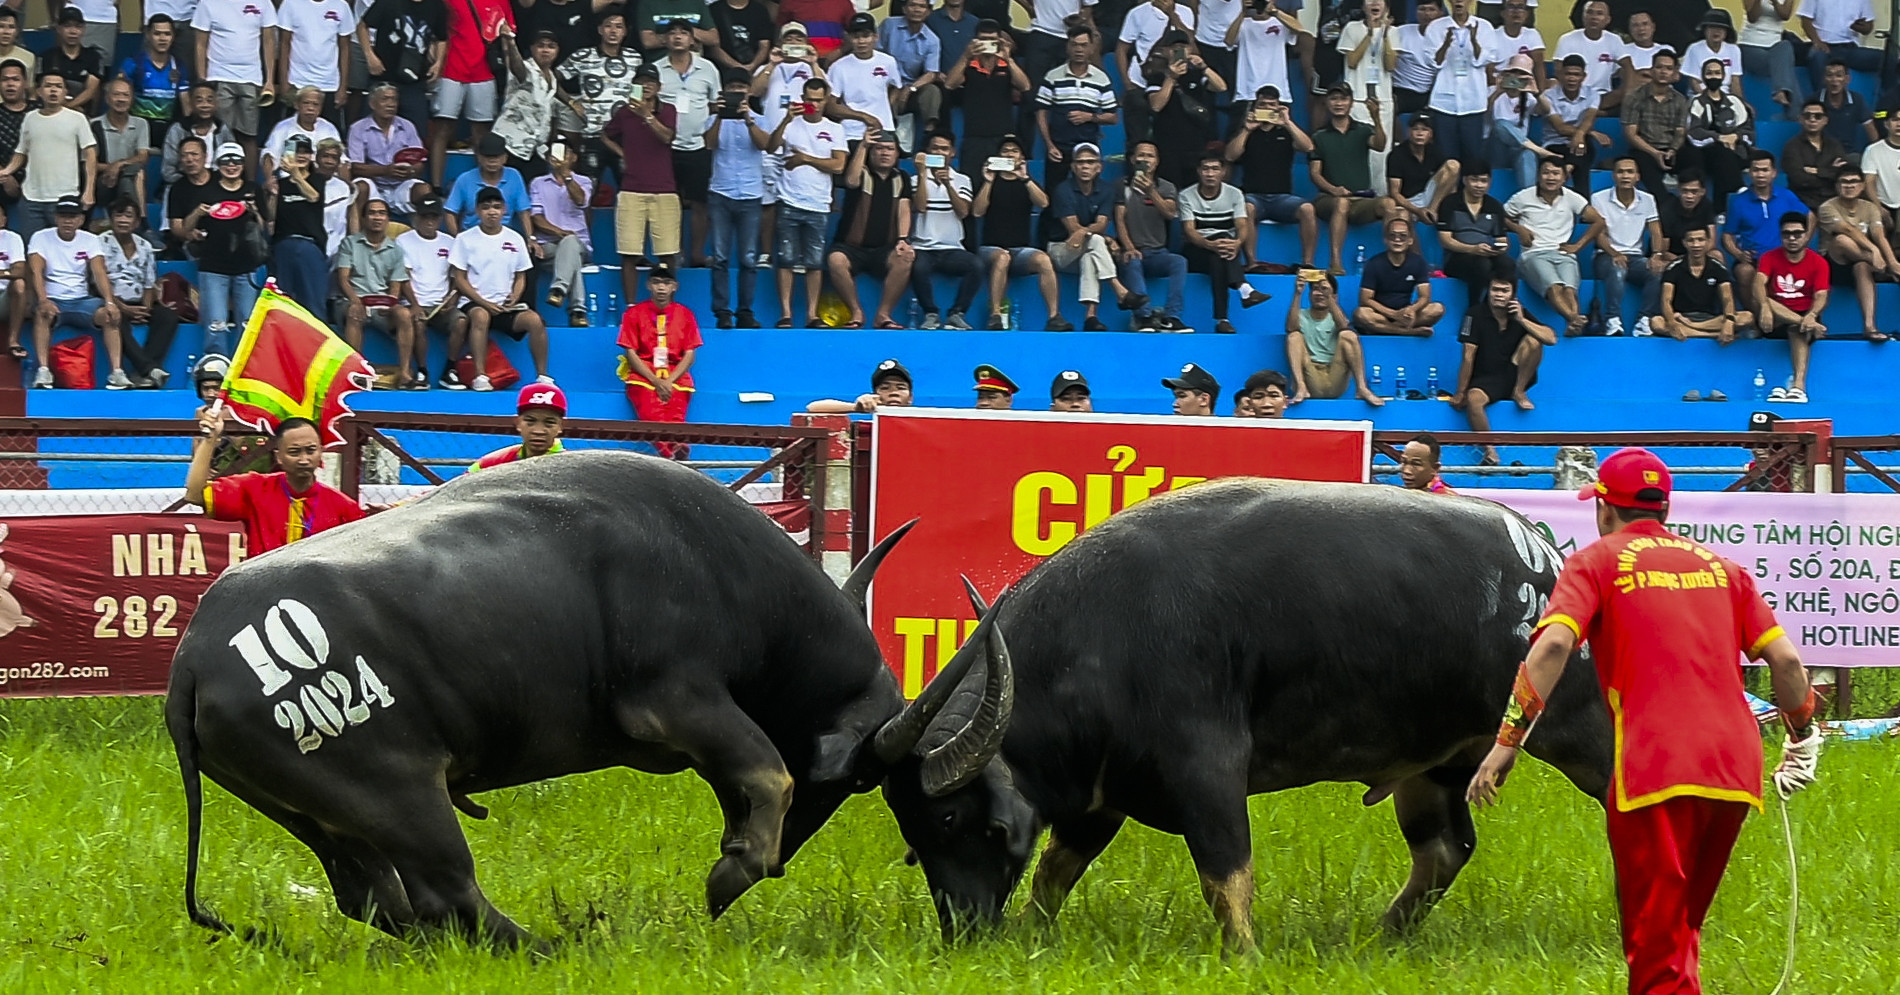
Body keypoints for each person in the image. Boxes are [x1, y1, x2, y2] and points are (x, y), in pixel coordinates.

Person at [1466, 446, 1821, 995]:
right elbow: (1788, 662)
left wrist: (1507, 741)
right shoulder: (1724, 570)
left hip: (1655, 769)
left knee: (1655, 942)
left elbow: (1554, 644)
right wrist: (1803, 735)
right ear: (1665, 510)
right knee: (1680, 928)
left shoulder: (1596, 562)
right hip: (1736, 769)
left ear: (1604, 510)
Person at [186, 414, 365, 554]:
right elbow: (194, 495)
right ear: (278, 456)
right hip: (265, 591)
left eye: (311, 450)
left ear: (320, 452)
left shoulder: (343, 507)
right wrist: (210, 439)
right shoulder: (255, 489)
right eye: (294, 452)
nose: (304, 459)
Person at [1450, 260, 1556, 464]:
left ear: (1512, 294)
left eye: (1504, 291)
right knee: (1474, 400)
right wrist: (1461, 391)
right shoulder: (1475, 314)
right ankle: (1490, 451)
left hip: (1515, 373)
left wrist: (1522, 320)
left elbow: (1550, 338)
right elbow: (1467, 356)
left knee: (1535, 340)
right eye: (1495, 290)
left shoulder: (1520, 313)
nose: (1499, 295)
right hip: (1485, 378)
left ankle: (1519, 391)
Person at [449, 185, 552, 391]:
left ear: (504, 209)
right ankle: (480, 376)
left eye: (496, 207)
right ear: (477, 211)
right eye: (486, 207)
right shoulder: (465, 239)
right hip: (474, 303)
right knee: (481, 316)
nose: (492, 212)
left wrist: (514, 297)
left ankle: (542, 376)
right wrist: (483, 302)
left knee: (535, 321)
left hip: (505, 306)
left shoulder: (514, 238)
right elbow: (459, 279)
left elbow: (520, 276)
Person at [767, 77, 846, 328]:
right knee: (787, 259)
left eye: (819, 100)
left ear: (826, 100)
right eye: (809, 99)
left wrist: (805, 159)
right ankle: (786, 314)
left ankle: (812, 314)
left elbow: (838, 165)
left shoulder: (835, 128)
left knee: (814, 262)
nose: (814, 104)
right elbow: (770, 147)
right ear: (803, 99)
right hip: (789, 198)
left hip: (819, 202)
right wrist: (786, 119)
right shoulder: (790, 124)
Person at [1048, 142, 1147, 331]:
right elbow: (1073, 229)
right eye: (1080, 162)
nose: (1085, 166)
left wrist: (1094, 234)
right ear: (1073, 166)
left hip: (1087, 248)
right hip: (1061, 249)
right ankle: (1120, 290)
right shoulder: (1063, 189)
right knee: (1096, 240)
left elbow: (1101, 224)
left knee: (1091, 253)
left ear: (1099, 167)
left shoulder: (1106, 190)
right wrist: (1101, 236)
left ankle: (1090, 317)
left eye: (1091, 162)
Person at [27, 195, 123, 388]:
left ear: (81, 219)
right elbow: (36, 270)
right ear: (56, 218)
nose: (67, 221)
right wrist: (44, 299)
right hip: (53, 298)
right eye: (63, 216)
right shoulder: (41, 237)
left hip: (82, 301)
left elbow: (99, 271)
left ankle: (117, 372)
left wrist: (110, 302)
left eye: (72, 216)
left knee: (109, 316)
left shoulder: (90, 240)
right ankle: (44, 371)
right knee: (42, 313)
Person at [974, 135, 1069, 331]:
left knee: (1043, 260)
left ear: (1022, 157)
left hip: (1019, 250)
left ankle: (1054, 316)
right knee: (1002, 257)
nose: (1010, 153)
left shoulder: (1026, 183)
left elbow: (1043, 203)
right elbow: (977, 211)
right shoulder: (989, 182)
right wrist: (989, 181)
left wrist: (1025, 178)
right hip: (990, 249)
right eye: (1005, 151)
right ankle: (996, 315)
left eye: (1014, 151)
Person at [177, 142, 262, 357]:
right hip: (213, 266)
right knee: (216, 323)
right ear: (217, 164)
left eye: (236, 161)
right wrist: (197, 213)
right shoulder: (206, 191)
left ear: (243, 164)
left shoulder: (253, 190)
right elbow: (186, 230)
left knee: (247, 323)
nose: (231, 165)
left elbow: (267, 227)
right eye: (226, 161)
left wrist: (255, 212)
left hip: (247, 266)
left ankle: (244, 369)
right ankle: (216, 367)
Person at [1224, 86, 1319, 272]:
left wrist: (1287, 122)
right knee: (1246, 207)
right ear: (1255, 107)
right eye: (1262, 105)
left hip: (1282, 198)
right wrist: (1247, 129)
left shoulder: (1285, 131)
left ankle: (1308, 263)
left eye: (1272, 105)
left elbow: (1308, 147)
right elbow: (1229, 156)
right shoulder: (1247, 132)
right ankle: (1251, 262)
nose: (1267, 108)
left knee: (1308, 209)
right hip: (1253, 196)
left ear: (1278, 107)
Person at [1505, 157, 1603, 336]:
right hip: (1533, 254)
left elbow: (1598, 221)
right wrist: (1518, 229)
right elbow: (1501, 216)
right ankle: (1574, 319)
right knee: (1555, 287)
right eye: (1546, 172)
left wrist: (1578, 246)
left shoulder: (1572, 197)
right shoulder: (1523, 197)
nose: (1550, 177)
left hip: (1563, 252)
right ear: (1538, 175)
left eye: (1556, 173)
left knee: (1570, 290)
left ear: (1564, 177)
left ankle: (1573, 323)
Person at [605, 64, 678, 300]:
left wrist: (646, 115)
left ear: (658, 87)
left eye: (650, 82)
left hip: (664, 189)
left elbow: (667, 137)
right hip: (631, 189)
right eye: (641, 82)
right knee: (629, 253)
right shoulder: (624, 113)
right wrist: (622, 153)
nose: (646, 86)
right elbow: (605, 134)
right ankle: (630, 307)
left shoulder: (668, 110)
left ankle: (668, 305)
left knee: (667, 254)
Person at [826, 133, 915, 329]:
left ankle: (883, 315)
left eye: (890, 149)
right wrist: (863, 146)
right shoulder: (861, 171)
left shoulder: (902, 178)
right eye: (879, 148)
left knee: (907, 255)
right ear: (871, 152)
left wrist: (902, 239)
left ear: (897, 154)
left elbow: (904, 209)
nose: (884, 153)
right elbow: (850, 181)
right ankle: (856, 312)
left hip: (884, 248)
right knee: (835, 260)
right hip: (850, 247)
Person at [1179, 153, 1272, 335]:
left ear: (1223, 172)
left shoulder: (1235, 194)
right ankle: (1244, 289)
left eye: (1215, 169)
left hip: (1224, 251)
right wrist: (1210, 244)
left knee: (1218, 260)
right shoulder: (1186, 195)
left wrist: (1237, 243)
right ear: (1199, 172)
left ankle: (1223, 320)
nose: (1210, 174)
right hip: (1196, 250)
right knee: (1221, 240)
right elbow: (1190, 232)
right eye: (1205, 169)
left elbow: (1242, 225)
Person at [335, 198, 422, 388]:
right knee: (354, 313)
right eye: (372, 213)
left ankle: (406, 373)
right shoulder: (350, 243)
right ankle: (355, 371)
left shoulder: (395, 249)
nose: (377, 217)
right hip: (353, 300)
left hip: (381, 305)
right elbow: (343, 278)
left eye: (381, 213)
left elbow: (396, 283)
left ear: (388, 219)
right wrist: (355, 301)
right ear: (365, 218)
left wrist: (390, 303)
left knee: (404, 314)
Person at [654, 20, 720, 266]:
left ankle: (697, 254)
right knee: (670, 203)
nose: (678, 37)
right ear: (664, 39)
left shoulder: (708, 68)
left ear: (693, 40)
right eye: (672, 33)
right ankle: (674, 253)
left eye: (684, 33)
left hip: (699, 145)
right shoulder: (655, 69)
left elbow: (715, 104)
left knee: (700, 202)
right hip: (666, 146)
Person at [0, 73, 96, 236]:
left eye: (58, 86)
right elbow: (21, 152)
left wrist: (89, 190)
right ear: (39, 91)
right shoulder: (30, 118)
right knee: (32, 250)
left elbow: (90, 155)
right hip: (31, 198)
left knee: (64, 249)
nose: (53, 90)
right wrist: (6, 171)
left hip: (64, 197)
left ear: (66, 92)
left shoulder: (77, 119)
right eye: (48, 86)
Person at [617, 266, 699, 457]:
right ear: (648, 285)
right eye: (656, 282)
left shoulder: (685, 314)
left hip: (677, 377)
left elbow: (690, 354)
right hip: (643, 376)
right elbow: (630, 352)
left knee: (676, 416)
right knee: (651, 413)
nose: (661, 288)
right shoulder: (634, 314)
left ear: (675, 287)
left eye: (666, 283)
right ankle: (672, 454)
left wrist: (669, 382)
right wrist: (656, 381)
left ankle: (676, 450)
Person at [429, 0, 512, 187]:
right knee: (442, 128)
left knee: (481, 132)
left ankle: (485, 185)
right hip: (450, 67)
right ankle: (436, 187)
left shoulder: (501, 1)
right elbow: (436, 26)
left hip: (484, 71)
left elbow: (507, 37)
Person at [1309, 83, 1390, 276]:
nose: (1339, 103)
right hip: (1328, 199)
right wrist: (1333, 189)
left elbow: (1379, 146)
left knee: (1389, 204)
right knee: (1341, 204)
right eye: (1334, 99)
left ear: (1351, 103)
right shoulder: (1319, 136)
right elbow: (1315, 173)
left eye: (1343, 99)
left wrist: (1376, 116)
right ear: (1327, 103)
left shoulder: (1363, 130)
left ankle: (1394, 261)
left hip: (1361, 199)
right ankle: (1335, 262)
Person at [194, 0, 280, 176]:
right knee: (221, 134)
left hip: (251, 78)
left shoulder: (263, 3)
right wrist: (202, 80)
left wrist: (269, 80)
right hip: (218, 76)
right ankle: (219, 183)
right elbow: (200, 44)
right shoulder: (208, 3)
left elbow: (269, 41)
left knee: (249, 136)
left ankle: (248, 187)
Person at [99, 197, 175, 389]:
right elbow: (97, 282)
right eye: (118, 215)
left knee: (168, 316)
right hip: (110, 300)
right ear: (111, 219)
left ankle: (144, 372)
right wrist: (122, 307)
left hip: (139, 301)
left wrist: (145, 309)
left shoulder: (145, 246)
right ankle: (149, 369)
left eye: (128, 216)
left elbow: (149, 283)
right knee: (115, 319)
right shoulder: (100, 243)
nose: (123, 220)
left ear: (136, 222)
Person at [553, 12, 638, 184]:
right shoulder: (583, 56)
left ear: (625, 32)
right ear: (600, 29)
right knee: (586, 193)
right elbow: (551, 79)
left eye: (618, 26)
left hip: (624, 136)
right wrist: (572, 102)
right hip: (593, 135)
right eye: (608, 25)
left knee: (629, 190)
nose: (613, 31)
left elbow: (639, 91)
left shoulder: (635, 58)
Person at [396, 197, 471, 389]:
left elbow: (456, 276)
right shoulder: (404, 241)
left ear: (440, 219)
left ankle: (450, 370)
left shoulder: (450, 241)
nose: (429, 221)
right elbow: (404, 277)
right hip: (415, 301)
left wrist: (452, 299)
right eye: (425, 217)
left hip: (442, 303)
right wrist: (414, 304)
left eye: (434, 217)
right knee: (419, 324)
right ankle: (422, 371)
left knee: (461, 321)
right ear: (416, 218)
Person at [1754, 212, 1829, 403]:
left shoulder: (1818, 262)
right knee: (1767, 300)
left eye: (1797, 233)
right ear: (1781, 236)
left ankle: (1799, 387)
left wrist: (1811, 316)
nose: (1792, 238)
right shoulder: (1769, 257)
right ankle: (1806, 324)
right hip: (1775, 315)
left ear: (1806, 235)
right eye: (1787, 234)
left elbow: (1821, 294)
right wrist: (1763, 306)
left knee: (1798, 328)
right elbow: (1758, 282)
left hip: (1805, 314)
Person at [1724, 151, 1810, 312]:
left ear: (1774, 173)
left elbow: (1810, 217)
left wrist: (1803, 242)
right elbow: (1728, 235)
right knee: (1743, 271)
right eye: (1756, 170)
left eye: (1765, 170)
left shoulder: (1787, 196)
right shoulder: (1738, 202)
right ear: (1750, 173)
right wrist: (1738, 254)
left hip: (1784, 256)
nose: (1760, 174)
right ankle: (1755, 318)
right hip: (1754, 259)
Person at [1034, 25, 1117, 193]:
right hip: (1059, 148)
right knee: (1053, 196)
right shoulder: (1053, 76)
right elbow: (1041, 112)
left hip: (1088, 149)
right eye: (1075, 44)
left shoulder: (1101, 79)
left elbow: (1113, 117)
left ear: (1092, 48)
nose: (1079, 49)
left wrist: (1090, 117)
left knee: (1088, 195)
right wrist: (1049, 145)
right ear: (1068, 47)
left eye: (1084, 45)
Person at [1116, 139, 1187, 333]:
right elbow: (1120, 219)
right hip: (1133, 250)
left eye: (1150, 156)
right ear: (1132, 159)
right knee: (1133, 261)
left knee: (1179, 262)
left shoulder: (1166, 187)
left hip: (1158, 253)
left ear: (1157, 161)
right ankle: (1144, 317)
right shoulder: (1121, 185)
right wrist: (1129, 247)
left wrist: (1151, 191)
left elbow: (1170, 213)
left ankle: (1172, 317)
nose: (1145, 159)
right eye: (1141, 155)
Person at [1820, 170, 1899, 342]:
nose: (1849, 185)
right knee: (1842, 239)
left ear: (1862, 186)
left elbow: (1879, 235)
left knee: (1862, 266)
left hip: (1861, 263)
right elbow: (1848, 230)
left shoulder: (1869, 207)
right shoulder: (1827, 207)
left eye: (1854, 181)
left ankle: (1870, 327)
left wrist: (1893, 261)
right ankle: (1883, 267)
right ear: (1837, 186)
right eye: (1844, 182)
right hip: (1833, 265)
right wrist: (1875, 252)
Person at [1143, 32, 1227, 191]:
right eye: (1175, 48)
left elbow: (1221, 87)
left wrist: (1204, 67)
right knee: (1171, 190)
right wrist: (1171, 78)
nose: (1179, 51)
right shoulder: (1157, 77)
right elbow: (1156, 105)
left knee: (1194, 191)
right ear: (1166, 51)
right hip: (1168, 146)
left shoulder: (1196, 75)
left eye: (1183, 47)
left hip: (1196, 145)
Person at [492, 27, 578, 181]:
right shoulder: (526, 68)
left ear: (558, 51)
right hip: (510, 144)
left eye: (551, 46)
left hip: (535, 149)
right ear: (531, 48)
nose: (545, 50)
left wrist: (572, 102)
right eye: (541, 46)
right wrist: (511, 42)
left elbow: (555, 88)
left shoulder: (551, 76)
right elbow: (516, 66)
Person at [1590, 157, 1662, 336]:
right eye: (1620, 172)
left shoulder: (1648, 199)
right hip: (1605, 255)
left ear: (1638, 176)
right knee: (1618, 269)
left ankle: (1643, 320)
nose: (1625, 176)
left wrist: (1657, 254)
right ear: (1613, 175)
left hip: (1636, 257)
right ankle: (1613, 319)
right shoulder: (1599, 198)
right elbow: (1598, 234)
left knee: (1657, 271)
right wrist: (1614, 253)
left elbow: (1656, 232)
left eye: (1630, 172)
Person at [943, 19, 1029, 171]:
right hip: (974, 136)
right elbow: (950, 84)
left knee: (1001, 184)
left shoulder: (1007, 65)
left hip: (1003, 138)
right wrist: (965, 56)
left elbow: (1025, 86)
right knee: (973, 182)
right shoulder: (969, 65)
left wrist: (1008, 59)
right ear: (975, 41)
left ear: (999, 41)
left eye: (992, 40)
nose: (987, 44)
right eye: (983, 40)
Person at [1423, 0, 1500, 165]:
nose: (1459, 1)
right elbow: (1434, 63)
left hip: (1473, 102)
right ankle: (1449, 190)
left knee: (1473, 156)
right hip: (1444, 102)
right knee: (1446, 157)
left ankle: (1468, 190)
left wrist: (1473, 40)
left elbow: (1485, 60)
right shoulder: (1436, 27)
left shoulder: (1484, 26)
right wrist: (1445, 43)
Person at [1287, 270, 1381, 405]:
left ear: (1334, 296)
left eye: (1324, 289)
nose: (1319, 293)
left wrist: (1329, 297)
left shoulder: (1336, 316)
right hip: (1310, 375)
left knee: (1348, 335)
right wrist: (1298, 293)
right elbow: (1290, 328)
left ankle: (1361, 388)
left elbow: (1344, 326)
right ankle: (1301, 387)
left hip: (1335, 375)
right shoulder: (1301, 314)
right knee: (1294, 336)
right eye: (1315, 289)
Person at [358, 0, 449, 136]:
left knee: (417, 133)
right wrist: (370, 55)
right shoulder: (388, 2)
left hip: (415, 82)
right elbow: (362, 26)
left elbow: (441, 37)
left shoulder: (436, 5)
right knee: (370, 131)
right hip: (383, 77)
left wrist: (438, 63)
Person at [527, 142, 593, 328]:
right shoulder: (538, 183)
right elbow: (537, 218)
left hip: (579, 244)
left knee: (571, 243)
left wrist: (567, 176)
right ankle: (577, 311)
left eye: (566, 153)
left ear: (573, 157)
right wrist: (559, 232)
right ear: (549, 158)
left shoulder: (584, 181)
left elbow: (581, 200)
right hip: (548, 245)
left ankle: (559, 289)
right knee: (571, 257)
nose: (561, 157)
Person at [265, 134, 330, 313]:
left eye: (305, 152)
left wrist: (296, 175)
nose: (301, 156)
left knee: (313, 303)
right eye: (296, 151)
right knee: (283, 304)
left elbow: (314, 197)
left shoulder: (318, 180)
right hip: (283, 245)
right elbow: (270, 217)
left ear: (311, 156)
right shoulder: (281, 183)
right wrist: (273, 194)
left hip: (309, 245)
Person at [347, 84, 432, 219]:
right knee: (360, 187)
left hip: (401, 184)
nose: (390, 104)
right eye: (385, 99)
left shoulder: (408, 126)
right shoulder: (358, 128)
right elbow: (356, 167)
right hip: (374, 184)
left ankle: (420, 236)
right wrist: (385, 171)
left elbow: (420, 162)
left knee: (423, 189)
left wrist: (411, 171)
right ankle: (358, 235)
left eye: (394, 100)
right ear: (372, 104)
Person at [1438, 160, 1513, 306]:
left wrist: (1499, 248)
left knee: (1507, 264)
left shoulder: (1494, 205)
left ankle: (1498, 306)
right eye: (1474, 180)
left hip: (1485, 253)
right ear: (1465, 180)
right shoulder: (1450, 203)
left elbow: (1501, 238)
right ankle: (1474, 307)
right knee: (1482, 265)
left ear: (1490, 182)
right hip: (1456, 258)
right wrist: (1472, 249)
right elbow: (1445, 239)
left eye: (1484, 181)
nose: (1479, 185)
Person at [1353, 218, 1443, 337]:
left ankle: (1387, 329)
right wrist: (1393, 314)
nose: (1397, 240)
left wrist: (1411, 310)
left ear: (1410, 240)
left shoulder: (1418, 262)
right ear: (1385, 240)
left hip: (1406, 314)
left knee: (1437, 309)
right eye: (1392, 236)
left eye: (1402, 236)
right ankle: (1406, 331)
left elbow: (1425, 296)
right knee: (1361, 314)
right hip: (1381, 314)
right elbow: (1365, 299)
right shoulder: (1374, 263)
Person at [1654, 226, 1745, 341]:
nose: (1696, 245)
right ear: (1684, 243)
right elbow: (1666, 300)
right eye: (1691, 240)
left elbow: (1727, 298)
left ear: (1708, 242)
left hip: (1710, 319)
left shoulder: (1718, 267)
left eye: (1700, 240)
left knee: (1747, 317)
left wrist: (1729, 321)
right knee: (1656, 322)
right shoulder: (1673, 268)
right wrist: (1672, 321)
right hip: (1682, 316)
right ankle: (1711, 335)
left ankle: (1692, 330)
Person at [1621, 48, 1690, 197]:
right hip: (1645, 149)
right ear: (1651, 70)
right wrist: (1655, 153)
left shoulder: (1680, 100)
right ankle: (1664, 201)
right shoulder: (1634, 97)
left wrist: (1672, 150)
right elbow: (1631, 135)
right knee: (1642, 162)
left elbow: (1680, 132)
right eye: (1659, 67)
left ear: (1674, 73)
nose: (1663, 71)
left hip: (1672, 149)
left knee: (1694, 155)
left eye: (1669, 68)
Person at [1685, 59, 1754, 208]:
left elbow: (1748, 130)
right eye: (1709, 73)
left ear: (1723, 76)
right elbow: (1693, 132)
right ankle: (1738, 189)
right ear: (1703, 77)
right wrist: (1719, 138)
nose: (1713, 76)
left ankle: (1720, 209)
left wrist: (1736, 137)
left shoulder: (1734, 101)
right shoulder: (1696, 102)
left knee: (1729, 156)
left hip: (1737, 152)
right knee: (1722, 154)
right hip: (1706, 155)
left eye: (1717, 73)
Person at [827, 14, 900, 149]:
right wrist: (864, 117)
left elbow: (896, 87)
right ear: (849, 38)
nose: (861, 41)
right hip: (852, 133)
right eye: (856, 36)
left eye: (866, 35)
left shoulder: (888, 61)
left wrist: (887, 107)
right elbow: (830, 106)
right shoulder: (838, 67)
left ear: (875, 37)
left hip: (884, 128)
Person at [276, 0, 356, 124]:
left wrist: (343, 87)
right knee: (292, 134)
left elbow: (345, 47)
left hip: (330, 84)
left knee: (330, 137)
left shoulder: (341, 6)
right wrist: (284, 82)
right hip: (297, 82)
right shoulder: (290, 4)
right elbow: (284, 44)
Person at [1540, 54, 1609, 197]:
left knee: (1584, 148)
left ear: (1583, 76)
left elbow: (1589, 119)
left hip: (1580, 143)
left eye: (1576, 74)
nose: (1572, 78)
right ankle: (1584, 200)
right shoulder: (1548, 96)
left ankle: (1567, 170)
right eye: (1568, 74)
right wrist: (1587, 133)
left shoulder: (1592, 94)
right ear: (1560, 74)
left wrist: (1580, 135)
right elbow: (1560, 127)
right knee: (1583, 153)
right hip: (1555, 144)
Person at [444, 132, 534, 239]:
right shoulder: (465, 179)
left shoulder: (514, 176)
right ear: (479, 157)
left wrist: (530, 238)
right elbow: (450, 212)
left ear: (505, 158)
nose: (492, 161)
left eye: (496, 156)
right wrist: (458, 239)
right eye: (487, 156)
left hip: (503, 237)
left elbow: (524, 211)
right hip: (471, 236)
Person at [879, 0, 945, 143]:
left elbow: (931, 73)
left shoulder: (932, 40)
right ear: (904, 8)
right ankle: (888, 137)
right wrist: (894, 86)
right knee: (891, 94)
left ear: (928, 12)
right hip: (884, 83)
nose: (917, 10)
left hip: (911, 86)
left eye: (922, 6)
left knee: (932, 91)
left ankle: (928, 136)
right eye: (913, 5)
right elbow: (876, 54)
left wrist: (911, 89)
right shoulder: (889, 25)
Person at [468, 382, 568, 470]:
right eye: (530, 421)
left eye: (549, 423)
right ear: (517, 422)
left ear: (561, 426)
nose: (539, 431)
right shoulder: (491, 464)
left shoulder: (569, 466)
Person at [1387, 112, 1459, 227]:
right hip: (1409, 201)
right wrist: (1417, 210)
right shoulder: (1397, 155)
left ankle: (1433, 211)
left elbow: (1450, 182)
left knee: (1453, 165)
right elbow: (1394, 193)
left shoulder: (1434, 151)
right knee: (1400, 216)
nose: (1419, 133)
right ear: (1409, 132)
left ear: (1430, 134)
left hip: (1430, 198)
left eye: (1424, 129)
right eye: (1415, 129)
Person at [92, 79, 152, 210]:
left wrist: (118, 165)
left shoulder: (141, 124)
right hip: (103, 182)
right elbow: (90, 164)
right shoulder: (94, 125)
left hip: (129, 176)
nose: (121, 99)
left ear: (132, 99)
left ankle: (126, 214)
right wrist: (111, 168)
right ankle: (139, 218)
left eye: (126, 95)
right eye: (116, 94)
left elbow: (143, 157)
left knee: (130, 176)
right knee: (134, 173)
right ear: (107, 98)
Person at [1552, 0, 1622, 111]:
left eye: (1599, 13)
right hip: (1573, 93)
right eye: (1590, 12)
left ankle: (1592, 111)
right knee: (1550, 85)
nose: (1594, 17)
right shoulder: (1567, 39)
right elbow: (1558, 70)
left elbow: (1623, 70)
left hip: (1603, 96)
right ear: (1583, 16)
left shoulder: (1615, 40)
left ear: (1608, 19)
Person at [161, 83, 235, 188]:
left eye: (209, 101)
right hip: (184, 184)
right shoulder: (178, 129)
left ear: (216, 104)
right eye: (199, 101)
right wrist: (194, 181)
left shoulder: (223, 129)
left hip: (217, 185)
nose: (205, 105)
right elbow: (168, 171)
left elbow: (232, 162)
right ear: (191, 104)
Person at [1784, 100, 1851, 213]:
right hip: (1802, 202)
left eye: (1818, 116)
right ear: (1800, 119)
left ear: (1825, 120)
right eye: (1807, 116)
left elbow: (1842, 174)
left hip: (1833, 201)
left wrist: (1817, 171)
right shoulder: (1792, 146)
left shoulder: (1834, 145)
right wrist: (1829, 172)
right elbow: (1799, 180)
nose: (1812, 119)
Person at [1801, 0, 1883, 91]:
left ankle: (1889, 100)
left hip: (1850, 49)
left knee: (1887, 59)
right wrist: (1817, 42)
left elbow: (1868, 28)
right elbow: (1805, 21)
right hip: (1824, 47)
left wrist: (1861, 27)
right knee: (1817, 57)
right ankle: (1823, 100)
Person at [1741, 0, 1804, 118]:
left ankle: (1781, 91)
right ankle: (1797, 113)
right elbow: (1752, 17)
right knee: (1787, 71)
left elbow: (1785, 15)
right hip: (1750, 45)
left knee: (1786, 45)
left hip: (1774, 47)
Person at [42, 6, 103, 114]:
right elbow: (41, 89)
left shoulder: (93, 56)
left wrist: (70, 107)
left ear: (84, 29)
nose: (73, 31)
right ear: (58, 29)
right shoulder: (47, 57)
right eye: (67, 26)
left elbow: (91, 90)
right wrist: (64, 109)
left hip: (83, 113)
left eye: (78, 26)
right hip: (52, 113)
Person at [806, 357, 914, 412]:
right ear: (875, 395)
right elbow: (812, 407)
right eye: (885, 388)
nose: (893, 393)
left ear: (910, 397)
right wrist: (856, 408)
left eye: (900, 387)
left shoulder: (923, 419)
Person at [1390, 0, 1442, 116]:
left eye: (1431, 10)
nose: (1427, 14)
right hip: (1399, 89)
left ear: (1440, 13)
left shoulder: (1446, 38)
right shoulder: (1402, 31)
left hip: (1428, 92)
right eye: (1422, 9)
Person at [1814, 59, 1872, 153]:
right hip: (1822, 154)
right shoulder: (1814, 100)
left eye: (1839, 75)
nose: (1834, 80)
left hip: (1849, 154)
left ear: (1847, 79)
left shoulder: (1857, 99)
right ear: (1824, 79)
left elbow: (1870, 128)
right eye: (1829, 75)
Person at [1680, 8, 1741, 96]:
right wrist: (1711, 100)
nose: (1716, 31)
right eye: (1712, 27)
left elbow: (1735, 81)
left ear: (1727, 31)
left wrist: (1740, 102)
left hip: (1726, 96)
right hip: (1700, 96)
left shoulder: (1734, 49)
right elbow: (1694, 83)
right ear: (1704, 30)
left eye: (1720, 28)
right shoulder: (1694, 49)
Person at [0, 201, 20, 360]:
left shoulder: (12, 238)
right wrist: (7, 272)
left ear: (4, 220)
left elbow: (20, 270)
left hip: (4, 297)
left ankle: (13, 341)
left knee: (20, 284)